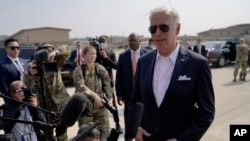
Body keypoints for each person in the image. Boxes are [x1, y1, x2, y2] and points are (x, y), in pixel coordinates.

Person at [130, 6, 215, 141]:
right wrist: (136, 128)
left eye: (164, 27)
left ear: (177, 28)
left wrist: (181, 139)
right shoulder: (143, 62)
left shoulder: (198, 64)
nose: (157, 33)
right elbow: (134, 101)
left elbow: (207, 113)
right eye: (153, 29)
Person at [24, 43, 71, 141]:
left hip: (59, 102)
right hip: (44, 104)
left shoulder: (56, 61)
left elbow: (67, 50)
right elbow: (29, 86)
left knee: (62, 129)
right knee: (47, 130)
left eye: (49, 52)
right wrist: (31, 76)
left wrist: (56, 52)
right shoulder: (32, 65)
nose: (47, 57)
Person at [73, 45, 113, 141]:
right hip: (86, 108)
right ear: (84, 56)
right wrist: (95, 96)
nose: (93, 56)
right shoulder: (78, 70)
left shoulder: (100, 68)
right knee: (87, 135)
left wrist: (109, 97)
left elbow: (107, 83)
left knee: (105, 132)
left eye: (94, 54)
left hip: (100, 107)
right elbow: (81, 86)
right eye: (90, 54)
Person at [115, 32, 149, 141]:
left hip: (145, 94)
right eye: (130, 40)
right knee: (129, 121)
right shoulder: (122, 56)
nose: (132, 42)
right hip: (128, 95)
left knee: (146, 121)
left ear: (140, 41)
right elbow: (119, 77)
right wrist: (119, 94)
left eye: (134, 39)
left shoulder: (149, 55)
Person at [96, 35, 123, 133]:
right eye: (100, 42)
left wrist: (106, 57)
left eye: (104, 42)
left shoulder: (111, 53)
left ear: (107, 43)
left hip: (108, 84)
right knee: (98, 105)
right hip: (97, 84)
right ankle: (99, 127)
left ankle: (117, 123)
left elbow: (116, 66)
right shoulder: (95, 54)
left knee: (113, 104)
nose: (102, 44)